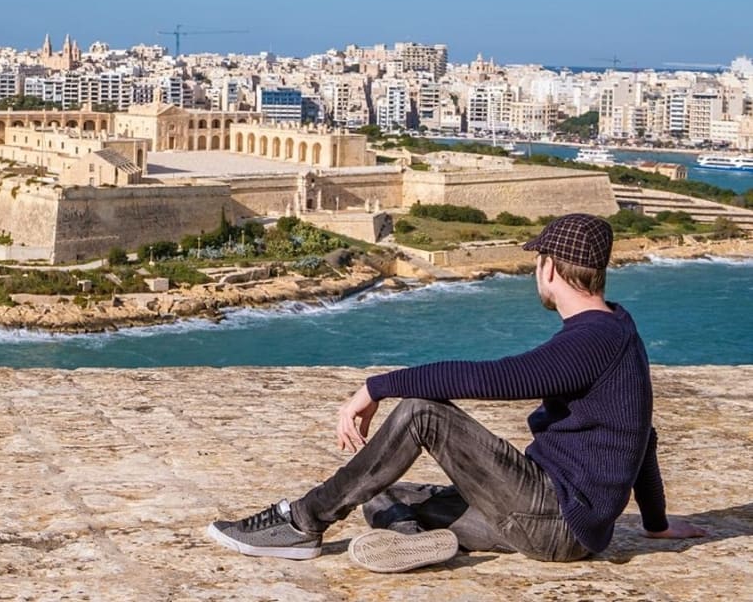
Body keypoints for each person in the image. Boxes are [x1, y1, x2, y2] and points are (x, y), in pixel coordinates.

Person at [208, 213, 705, 573]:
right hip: (544, 521)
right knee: (383, 490)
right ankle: (418, 541)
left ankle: (300, 523)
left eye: (538, 263)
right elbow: (645, 436)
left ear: (549, 268)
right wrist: (656, 523)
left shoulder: (591, 341)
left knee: (423, 412)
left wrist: (374, 387)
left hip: (553, 517)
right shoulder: (619, 328)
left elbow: (489, 379)